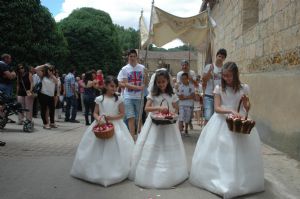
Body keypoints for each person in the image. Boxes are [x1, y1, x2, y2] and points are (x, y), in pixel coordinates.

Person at [189, 62, 264, 198]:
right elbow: (217, 108)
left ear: (235, 74)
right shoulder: (219, 88)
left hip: (238, 122)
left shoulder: (244, 88)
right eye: (224, 76)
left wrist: (247, 105)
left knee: (240, 153)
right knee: (223, 152)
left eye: (229, 76)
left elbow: (246, 108)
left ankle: (240, 180)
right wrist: (230, 110)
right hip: (221, 122)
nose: (226, 78)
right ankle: (222, 180)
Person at [70, 76, 134, 187]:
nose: (114, 88)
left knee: (116, 148)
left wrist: (111, 118)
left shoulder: (119, 99)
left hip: (115, 125)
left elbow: (122, 114)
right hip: (101, 124)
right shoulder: (100, 99)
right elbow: (95, 113)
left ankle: (115, 170)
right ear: (105, 86)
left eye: (115, 86)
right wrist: (98, 118)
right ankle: (95, 170)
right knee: (96, 148)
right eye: (111, 86)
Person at [129, 70, 188, 188]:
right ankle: (150, 171)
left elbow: (176, 108)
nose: (161, 84)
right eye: (159, 82)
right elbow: (147, 108)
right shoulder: (153, 94)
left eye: (164, 82)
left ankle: (170, 172)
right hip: (154, 125)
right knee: (154, 147)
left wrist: (172, 112)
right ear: (155, 82)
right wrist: (159, 108)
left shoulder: (172, 95)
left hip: (168, 124)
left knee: (168, 146)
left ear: (168, 81)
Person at [118, 49, 146, 140]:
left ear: (136, 57)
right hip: (128, 96)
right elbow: (125, 83)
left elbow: (146, 82)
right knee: (130, 117)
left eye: (134, 56)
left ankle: (140, 137)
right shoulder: (125, 69)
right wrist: (138, 88)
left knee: (139, 118)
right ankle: (131, 138)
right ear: (128, 57)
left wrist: (146, 78)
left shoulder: (142, 68)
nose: (132, 58)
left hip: (139, 97)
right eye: (131, 56)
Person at [202, 48, 227, 125]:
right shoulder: (209, 66)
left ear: (224, 59)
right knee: (208, 117)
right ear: (216, 56)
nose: (220, 58)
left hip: (220, 96)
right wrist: (210, 71)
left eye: (222, 57)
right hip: (209, 95)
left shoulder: (225, 68)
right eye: (219, 56)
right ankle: (205, 135)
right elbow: (204, 80)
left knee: (218, 118)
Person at [35, 64, 58, 129]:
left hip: (51, 95)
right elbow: (36, 69)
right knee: (43, 110)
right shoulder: (42, 76)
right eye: (50, 70)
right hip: (43, 95)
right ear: (46, 70)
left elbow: (56, 83)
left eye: (52, 70)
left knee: (52, 110)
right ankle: (45, 123)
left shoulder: (53, 77)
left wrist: (51, 75)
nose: (51, 71)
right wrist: (45, 65)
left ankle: (52, 123)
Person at [176, 60, 197, 130]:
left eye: (186, 65)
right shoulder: (179, 74)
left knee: (189, 114)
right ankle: (181, 127)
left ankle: (189, 122)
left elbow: (196, 84)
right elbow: (178, 84)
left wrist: (190, 79)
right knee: (181, 114)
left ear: (188, 66)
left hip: (191, 92)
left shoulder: (192, 73)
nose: (184, 67)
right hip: (182, 94)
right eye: (183, 65)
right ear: (181, 66)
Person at [0, 54, 16, 124]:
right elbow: (11, 76)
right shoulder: (3, 65)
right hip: (5, 85)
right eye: (9, 58)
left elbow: (12, 74)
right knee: (6, 102)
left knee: (2, 102)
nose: (10, 60)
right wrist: (11, 74)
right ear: (6, 58)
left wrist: (10, 74)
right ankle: (3, 117)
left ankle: (3, 117)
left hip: (3, 85)